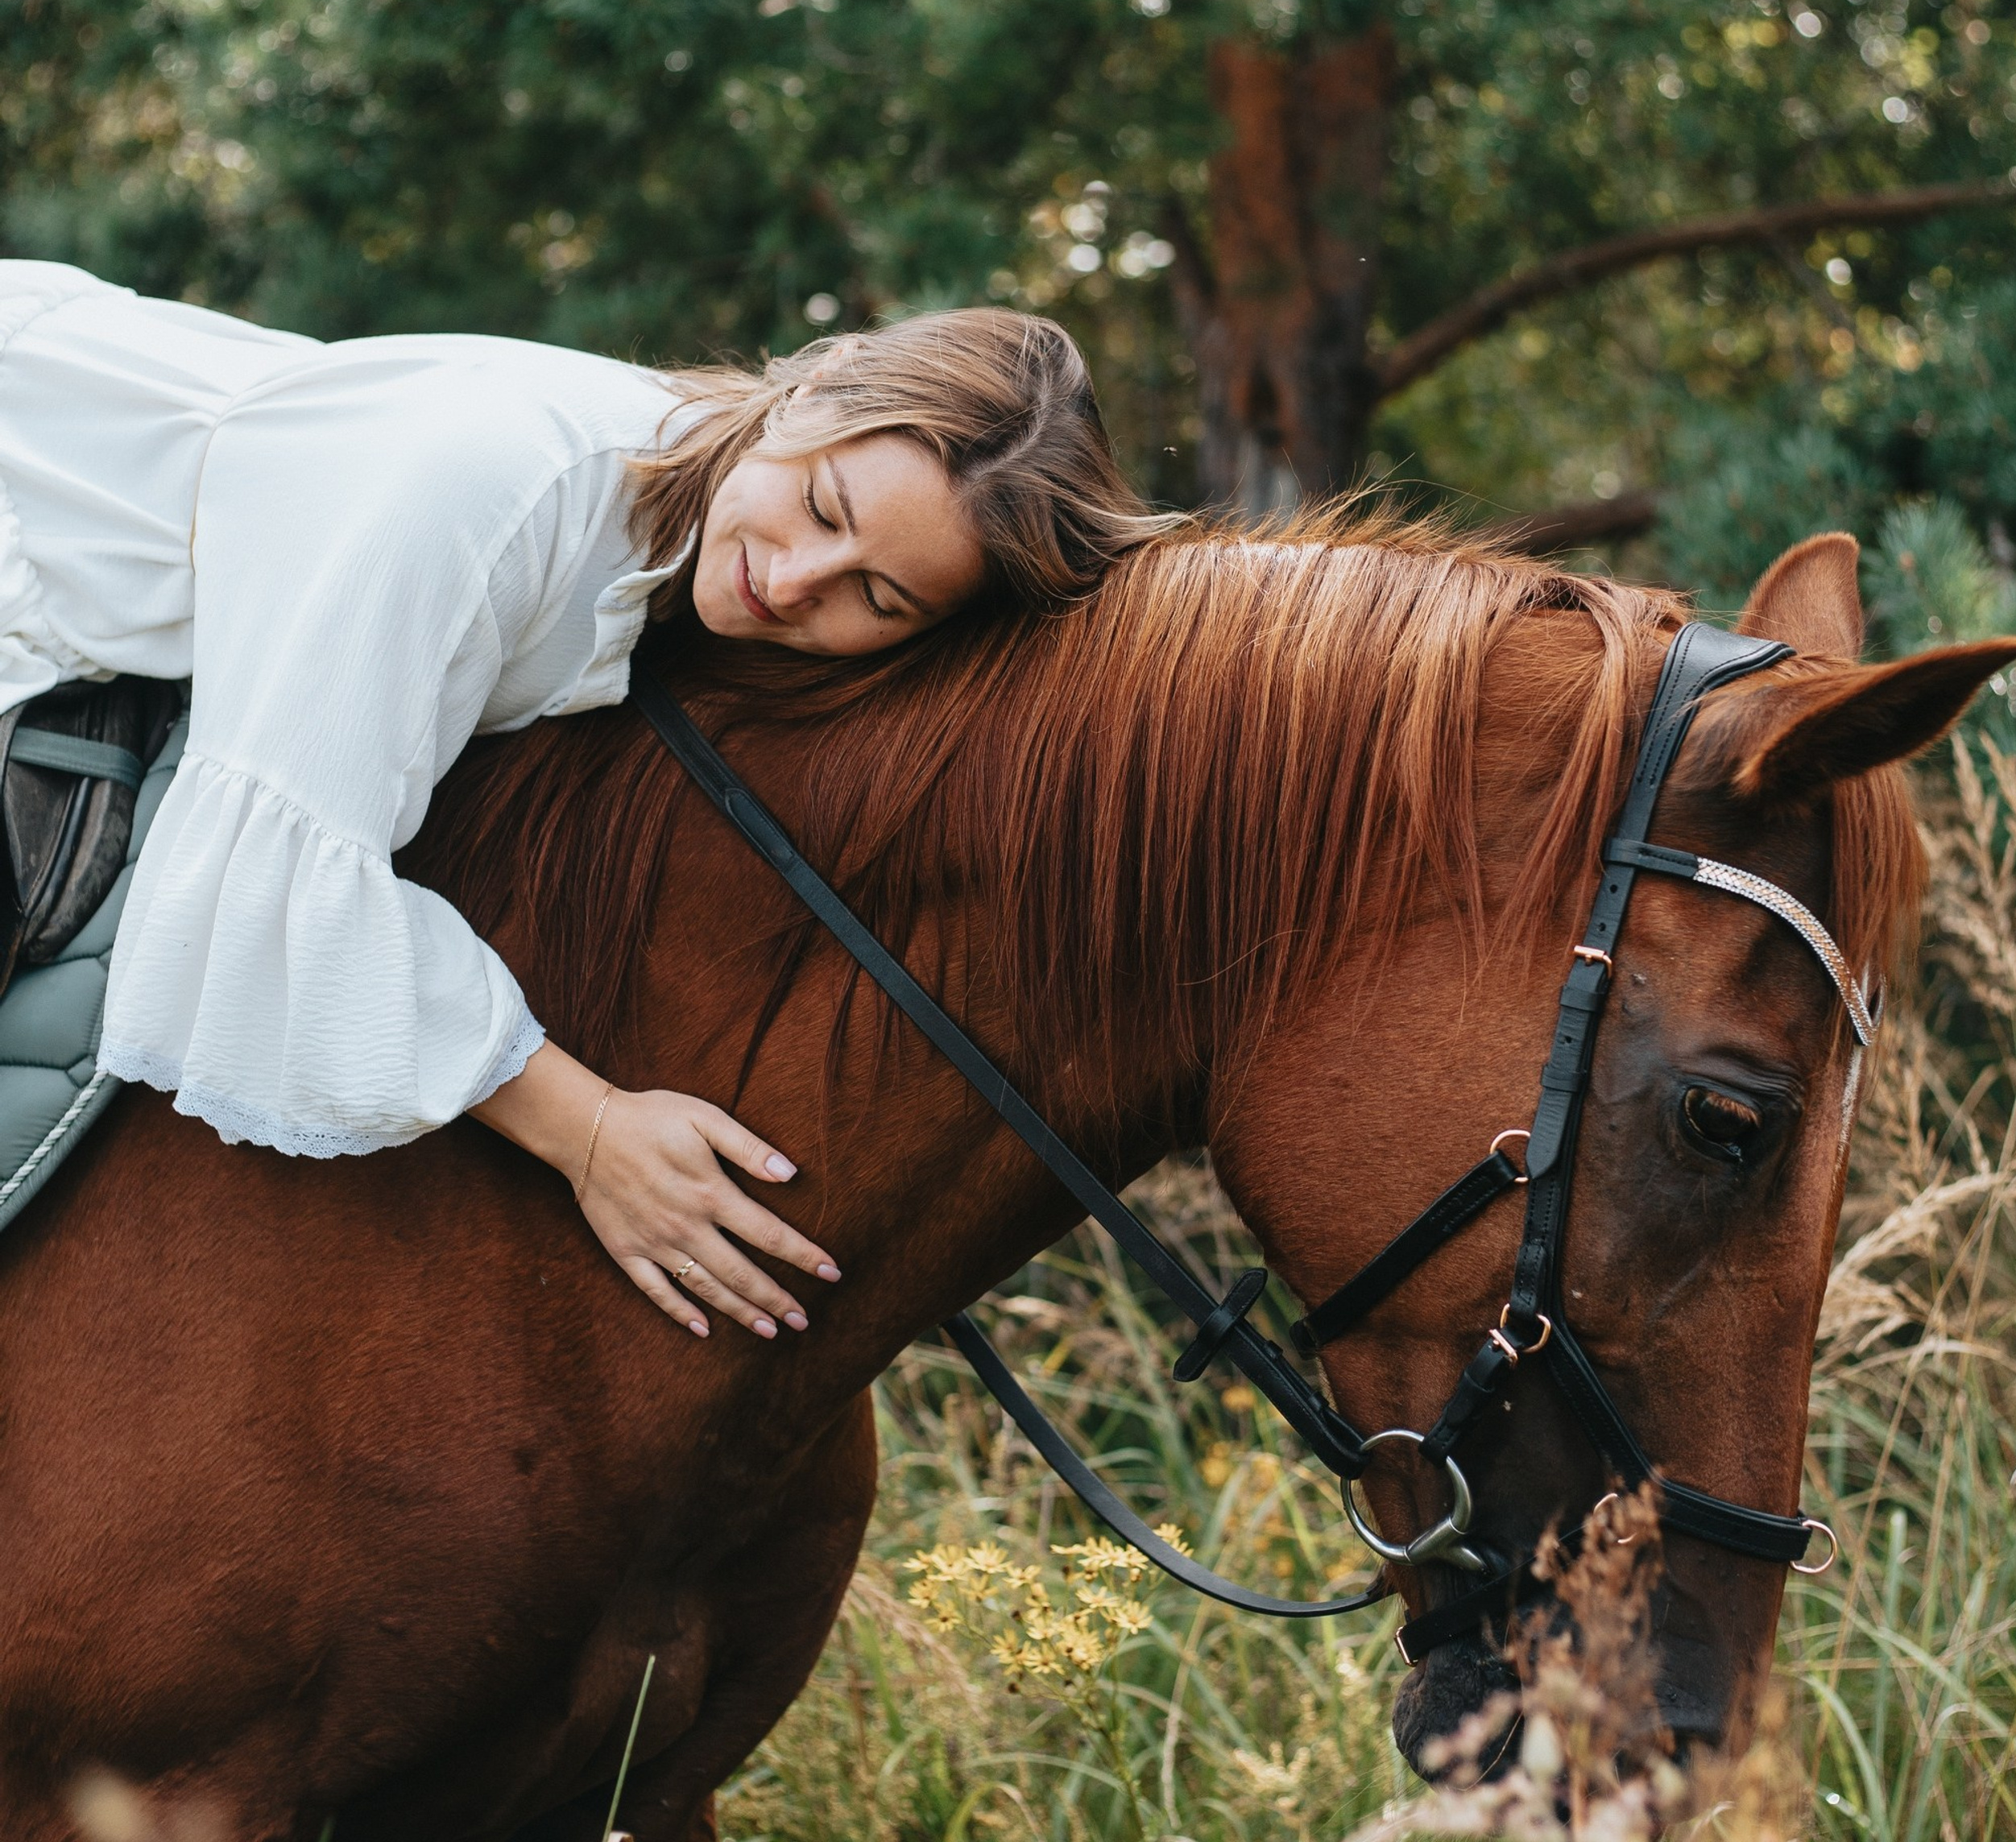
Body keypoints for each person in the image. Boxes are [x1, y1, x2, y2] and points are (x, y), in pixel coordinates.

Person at [0, 259, 1170, 1336]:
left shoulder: (694, 535)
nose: (796, 582)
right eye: (822, 512)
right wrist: (591, 1129)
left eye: (877, 596)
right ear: (817, 386)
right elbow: (272, 887)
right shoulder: (477, 488)